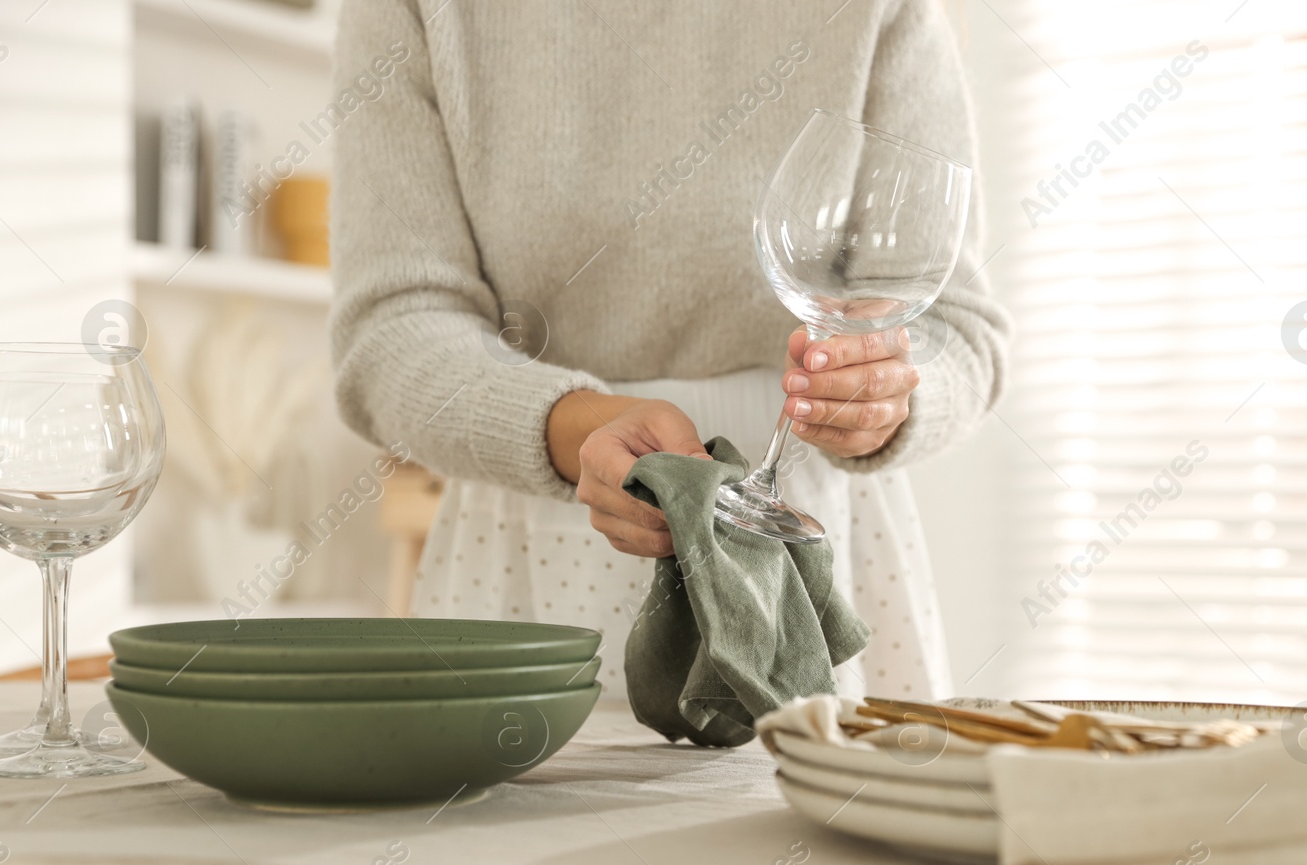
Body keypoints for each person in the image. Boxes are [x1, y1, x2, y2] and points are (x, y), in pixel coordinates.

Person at [330, 0, 1010, 700]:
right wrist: (575, 425)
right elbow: (390, 326)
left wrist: (885, 391)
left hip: (804, 537)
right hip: (532, 538)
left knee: (813, 806)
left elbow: (955, 329)